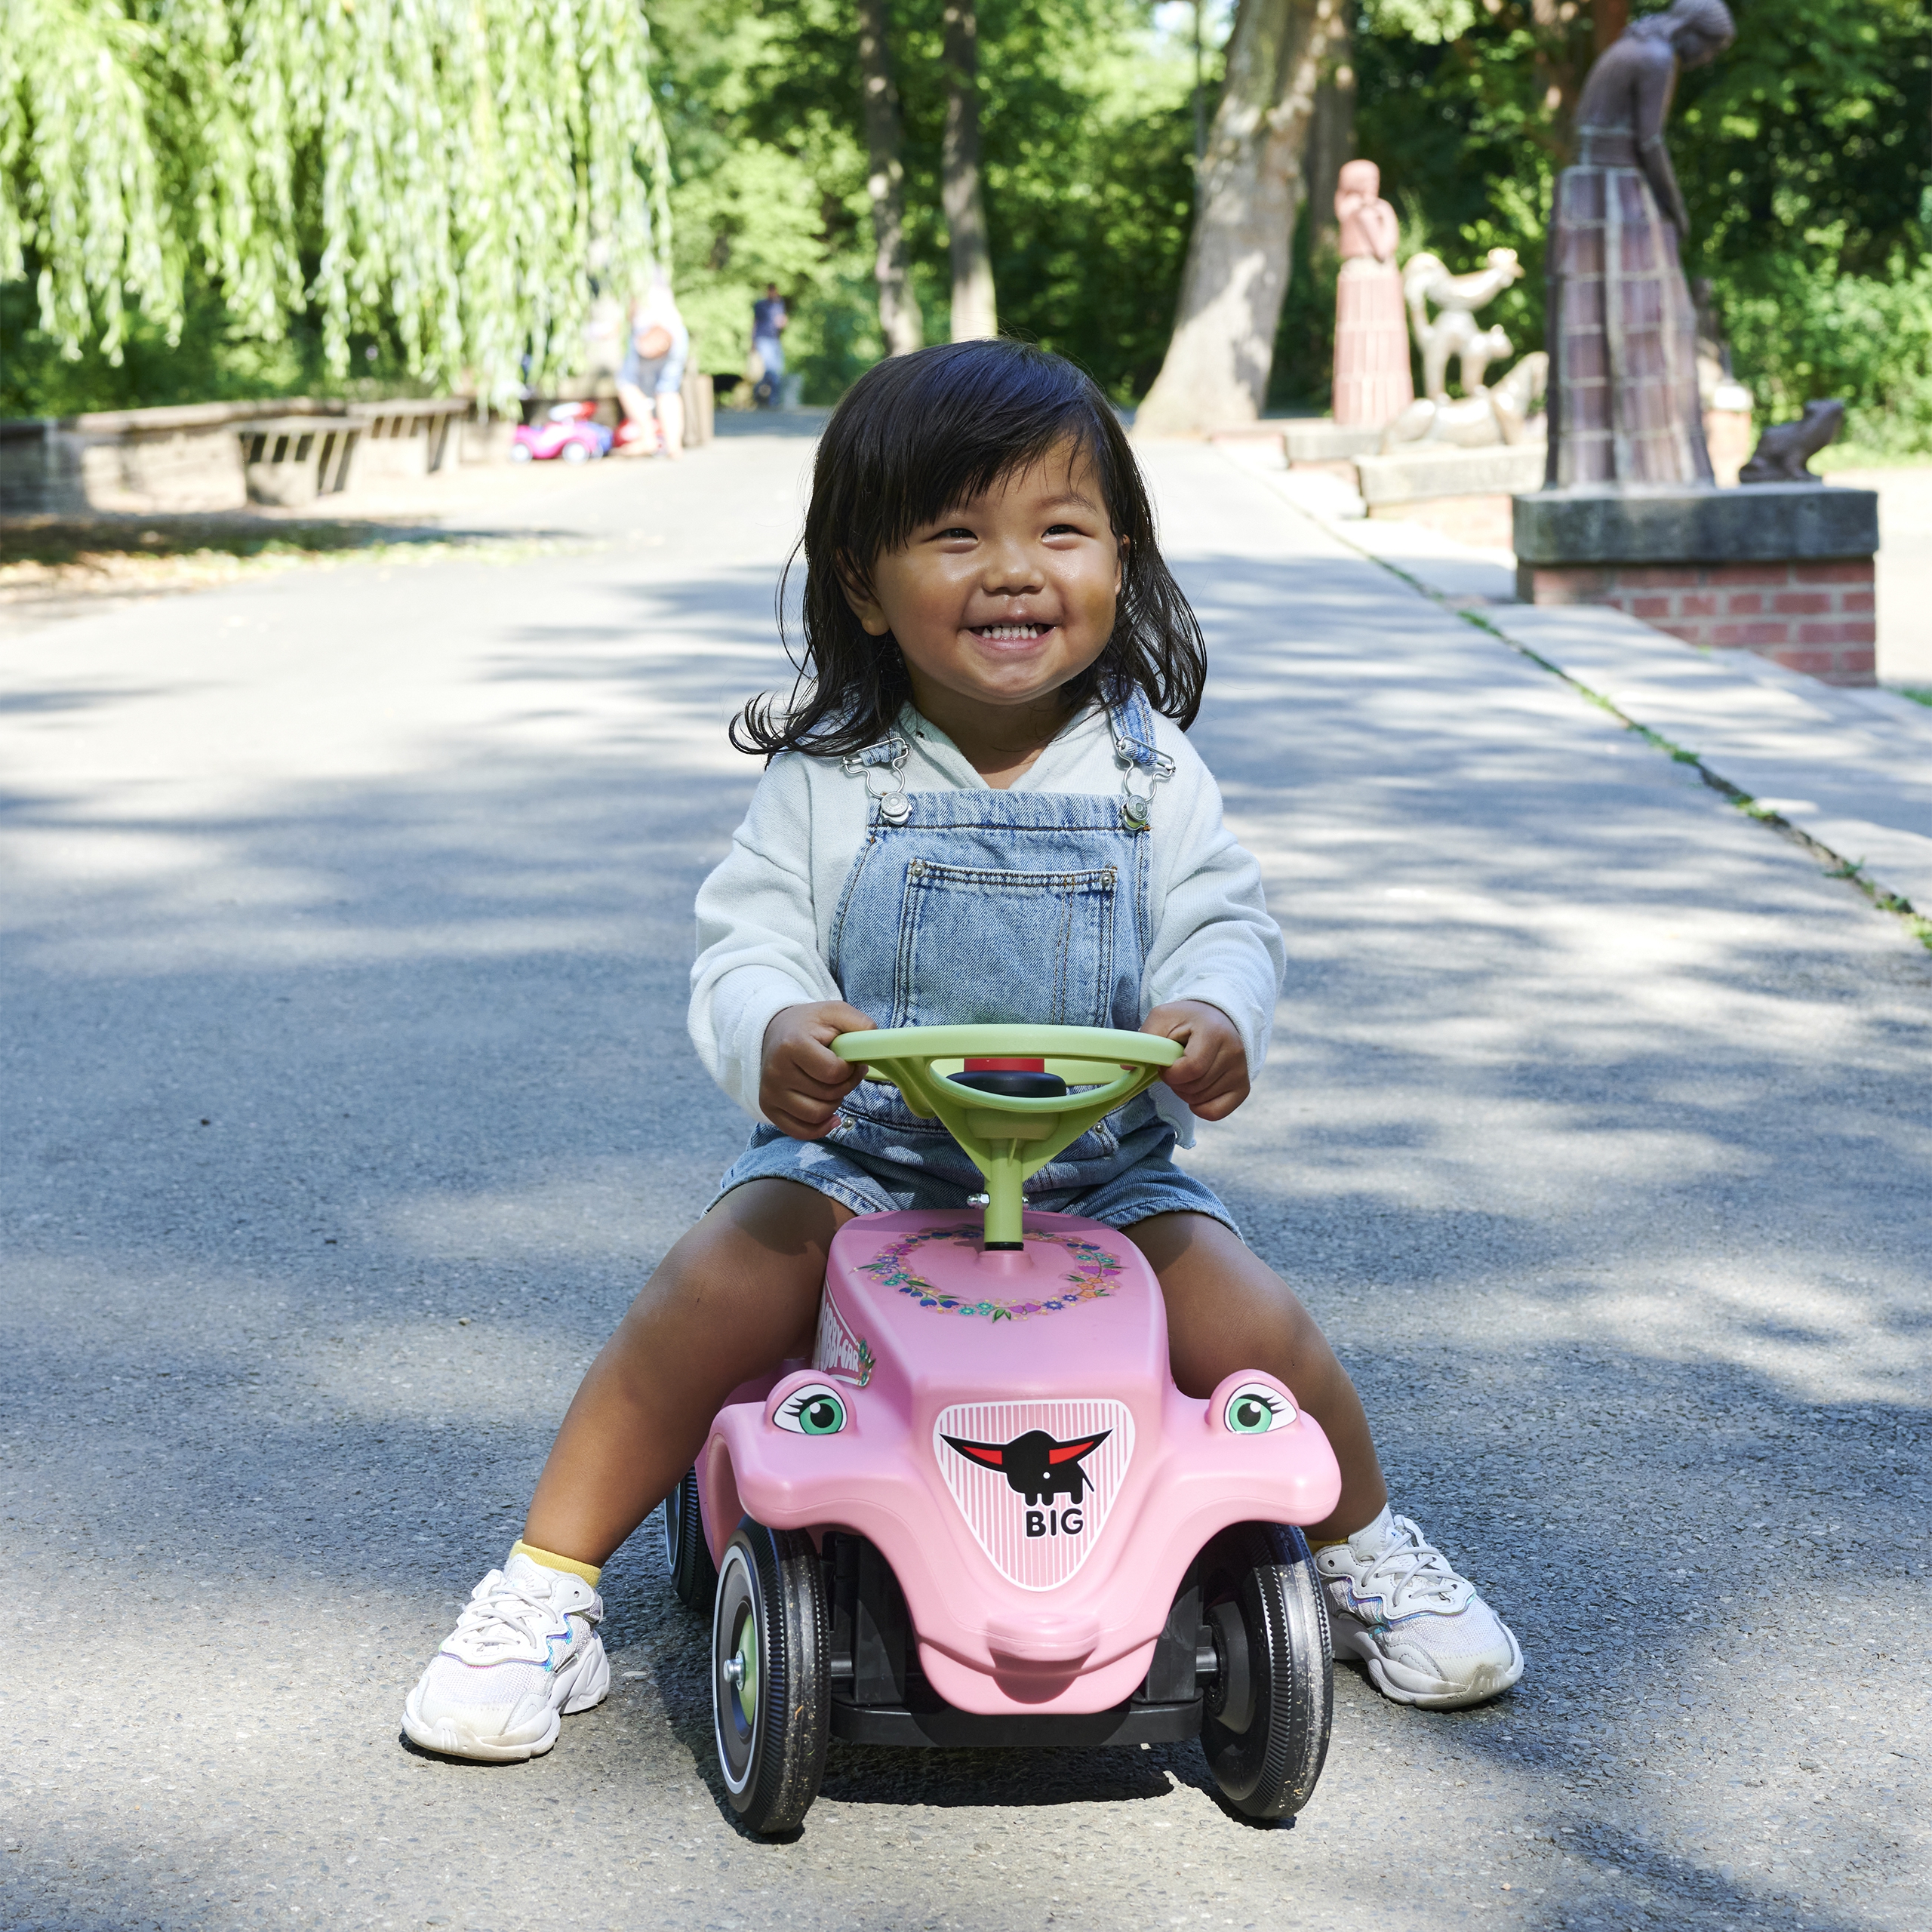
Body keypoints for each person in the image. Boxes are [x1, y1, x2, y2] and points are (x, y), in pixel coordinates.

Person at [401, 340, 1524, 1764]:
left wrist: (1216, 1011)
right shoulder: (833, 776)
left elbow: (1224, 915)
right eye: (956, 536)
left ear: (1123, 557)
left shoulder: (1147, 771)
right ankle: (545, 1589)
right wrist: (775, 1028)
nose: (1013, 570)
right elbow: (744, 938)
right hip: (864, 1165)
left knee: (1260, 1327)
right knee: (706, 1289)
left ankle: (1364, 1549)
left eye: (1059, 531)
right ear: (865, 584)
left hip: (1099, 1177)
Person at [1545, 0, 1736, 485]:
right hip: (1615, 187)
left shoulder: (1634, 45)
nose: (1706, 60)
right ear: (1694, 33)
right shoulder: (1656, 57)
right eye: (1710, 50)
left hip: (1591, 184)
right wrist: (1674, 205)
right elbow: (1649, 140)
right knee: (1645, 321)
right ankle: (1655, 468)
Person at [1332, 159, 1414, 428]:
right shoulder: (1365, 212)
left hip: (1368, 276)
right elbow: (1383, 247)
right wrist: (1386, 216)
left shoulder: (1361, 209)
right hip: (1369, 279)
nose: (1374, 185)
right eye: (1369, 180)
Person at [616, 283, 690, 460]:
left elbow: (633, 301)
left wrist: (621, 324)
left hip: (647, 329)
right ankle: (674, 445)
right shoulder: (658, 265)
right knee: (668, 389)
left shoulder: (632, 265)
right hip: (675, 328)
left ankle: (647, 437)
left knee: (626, 383)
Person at [751, 282, 787, 407]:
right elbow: (755, 323)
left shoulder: (779, 304)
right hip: (763, 339)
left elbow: (781, 323)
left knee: (777, 370)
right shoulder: (761, 305)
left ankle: (769, 398)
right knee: (770, 370)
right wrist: (753, 341)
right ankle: (769, 399)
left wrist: (783, 323)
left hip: (775, 340)